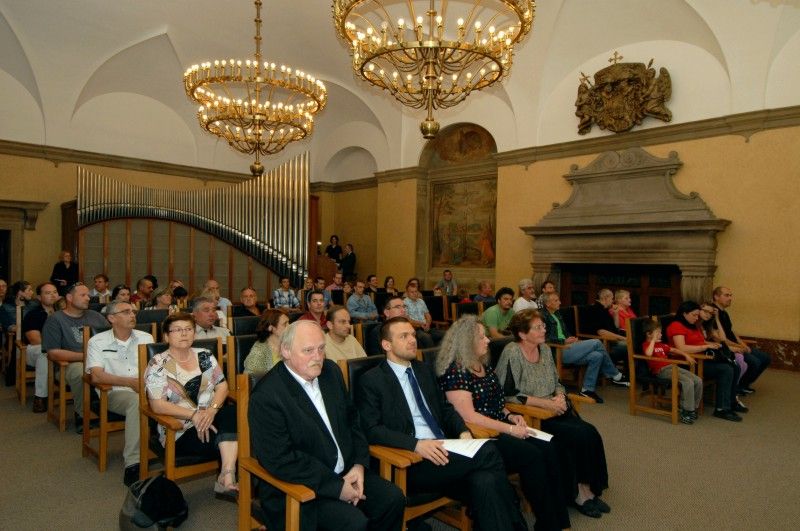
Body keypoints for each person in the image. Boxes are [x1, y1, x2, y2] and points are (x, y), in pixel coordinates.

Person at [357, 316, 528, 531]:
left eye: (412, 334)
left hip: (445, 451)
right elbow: (371, 430)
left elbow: (445, 409)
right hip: (411, 461)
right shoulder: (372, 380)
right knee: (490, 452)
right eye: (404, 336)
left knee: (485, 481)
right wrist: (416, 444)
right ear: (386, 345)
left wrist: (463, 431)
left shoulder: (422, 370)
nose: (412, 340)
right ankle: (517, 522)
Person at [249, 320, 405, 531]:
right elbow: (280, 460)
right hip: (301, 485)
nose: (318, 357)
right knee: (354, 523)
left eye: (321, 348)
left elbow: (353, 420)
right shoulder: (267, 396)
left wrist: (359, 464)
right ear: (285, 351)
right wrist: (336, 487)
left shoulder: (330, 371)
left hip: (348, 471)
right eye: (308, 350)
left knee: (393, 499)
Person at [436, 314, 572, 529]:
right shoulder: (456, 372)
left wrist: (511, 415)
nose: (488, 340)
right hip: (483, 436)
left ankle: (556, 519)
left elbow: (498, 402)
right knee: (532, 455)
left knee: (550, 446)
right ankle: (548, 523)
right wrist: (509, 428)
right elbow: (469, 417)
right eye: (482, 337)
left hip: (501, 425)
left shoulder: (483, 366)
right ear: (466, 342)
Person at [496, 309, 611, 519]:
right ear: (522, 334)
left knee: (590, 432)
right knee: (576, 437)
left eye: (543, 326)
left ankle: (589, 488)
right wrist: (545, 404)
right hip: (532, 414)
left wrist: (559, 397)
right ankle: (578, 495)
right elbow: (508, 394)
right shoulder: (512, 352)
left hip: (554, 408)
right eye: (538, 327)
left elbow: (557, 382)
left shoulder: (546, 350)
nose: (544, 329)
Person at [144, 313, 238, 497]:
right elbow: (157, 405)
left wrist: (211, 410)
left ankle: (226, 475)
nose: (184, 334)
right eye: (177, 330)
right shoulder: (157, 363)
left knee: (236, 412)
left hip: (212, 418)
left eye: (188, 329)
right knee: (240, 436)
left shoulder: (205, 355)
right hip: (180, 429)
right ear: (166, 336)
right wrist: (194, 415)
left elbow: (222, 386)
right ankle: (227, 477)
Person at [86, 299, 154, 485]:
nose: (132, 315)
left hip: (145, 389)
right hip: (114, 392)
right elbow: (97, 377)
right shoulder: (97, 341)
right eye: (125, 312)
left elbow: (155, 368)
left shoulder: (146, 338)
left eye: (133, 312)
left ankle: (171, 449)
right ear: (111, 318)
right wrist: (130, 382)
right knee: (135, 401)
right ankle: (133, 462)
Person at [41, 281, 108, 432]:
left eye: (88, 295)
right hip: (70, 364)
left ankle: (111, 411)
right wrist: (86, 357)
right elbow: (53, 352)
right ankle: (82, 415)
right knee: (80, 372)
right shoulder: (55, 320)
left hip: (99, 360)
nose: (88, 298)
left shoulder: (96, 317)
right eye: (83, 295)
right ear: (70, 298)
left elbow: (111, 339)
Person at [542, 292, 628, 404]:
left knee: (597, 355)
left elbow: (565, 333)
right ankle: (615, 375)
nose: (560, 302)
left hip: (568, 346)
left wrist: (571, 338)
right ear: (548, 303)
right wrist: (563, 341)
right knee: (597, 342)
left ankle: (587, 390)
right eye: (556, 300)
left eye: (559, 300)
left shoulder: (557, 314)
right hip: (557, 350)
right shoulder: (542, 317)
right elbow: (544, 338)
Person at [666, 301, 743, 422]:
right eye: (694, 315)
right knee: (726, 369)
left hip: (700, 358)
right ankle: (721, 409)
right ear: (684, 313)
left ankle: (731, 402)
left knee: (735, 366)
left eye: (697, 315)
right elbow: (682, 348)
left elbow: (698, 341)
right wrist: (705, 347)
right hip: (687, 362)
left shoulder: (692, 325)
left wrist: (711, 344)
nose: (697, 318)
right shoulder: (676, 325)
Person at [712, 286, 772, 393]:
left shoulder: (724, 312)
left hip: (736, 345)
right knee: (754, 362)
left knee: (766, 358)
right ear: (716, 297)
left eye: (731, 295)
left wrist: (743, 344)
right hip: (727, 347)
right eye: (726, 295)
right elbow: (721, 339)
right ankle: (738, 386)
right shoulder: (713, 313)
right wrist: (740, 347)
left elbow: (731, 331)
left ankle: (744, 384)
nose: (730, 298)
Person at [641, 320, 702, 424]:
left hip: (672, 367)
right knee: (688, 382)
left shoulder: (662, 345)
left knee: (698, 380)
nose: (661, 335)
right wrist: (652, 341)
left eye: (660, 332)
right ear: (648, 334)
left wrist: (686, 355)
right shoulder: (646, 345)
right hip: (661, 371)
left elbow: (673, 350)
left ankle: (693, 408)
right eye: (658, 333)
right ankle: (686, 411)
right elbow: (648, 354)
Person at [22, 282, 60, 413]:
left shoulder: (63, 313)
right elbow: (35, 340)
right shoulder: (34, 314)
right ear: (39, 297)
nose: (52, 295)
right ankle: (40, 397)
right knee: (44, 353)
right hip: (34, 351)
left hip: (60, 350)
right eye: (48, 293)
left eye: (55, 292)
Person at [700, 302, 748, 393]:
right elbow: (705, 342)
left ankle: (733, 390)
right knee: (736, 362)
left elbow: (722, 338)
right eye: (705, 311)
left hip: (717, 350)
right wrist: (734, 347)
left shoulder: (708, 325)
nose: (708, 314)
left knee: (741, 361)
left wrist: (717, 319)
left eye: (711, 313)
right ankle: (731, 391)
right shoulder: (697, 324)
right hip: (708, 354)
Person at [582, 289, 629, 372]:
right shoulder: (594, 309)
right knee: (629, 346)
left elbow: (616, 328)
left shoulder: (605, 310)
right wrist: (622, 338)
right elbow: (601, 332)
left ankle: (624, 374)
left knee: (633, 344)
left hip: (611, 341)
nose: (613, 301)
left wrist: (616, 314)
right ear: (605, 298)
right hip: (603, 343)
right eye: (612, 299)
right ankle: (620, 374)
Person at [244, 309, 289, 377]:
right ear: (270, 328)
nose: (289, 326)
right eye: (285, 324)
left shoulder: (291, 344)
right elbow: (249, 379)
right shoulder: (259, 351)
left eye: (289, 322)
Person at [403, 283, 443, 347]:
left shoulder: (421, 301)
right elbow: (408, 320)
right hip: (415, 329)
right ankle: (431, 355)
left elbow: (428, 316)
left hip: (426, 327)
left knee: (445, 334)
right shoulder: (404, 303)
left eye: (416, 291)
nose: (415, 293)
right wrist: (421, 324)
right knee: (427, 338)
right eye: (412, 292)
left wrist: (428, 324)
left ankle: (440, 353)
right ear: (407, 293)